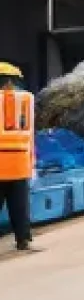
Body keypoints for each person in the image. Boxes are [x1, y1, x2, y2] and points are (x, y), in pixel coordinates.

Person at [0, 63, 35, 253]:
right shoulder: (26, 100)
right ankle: (23, 238)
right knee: (19, 205)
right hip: (19, 163)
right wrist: (32, 164)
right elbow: (29, 134)